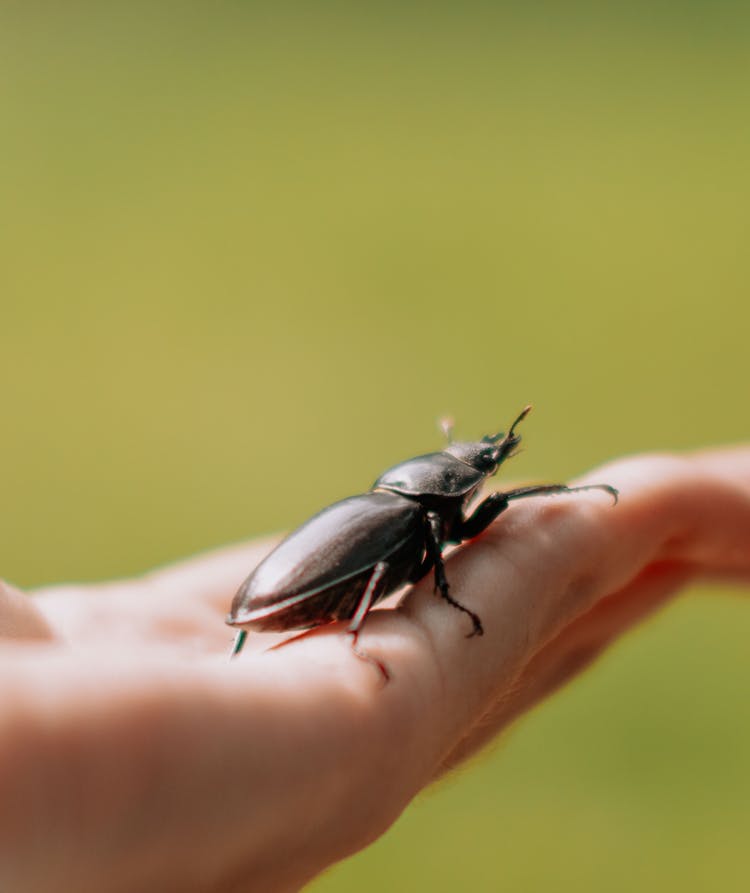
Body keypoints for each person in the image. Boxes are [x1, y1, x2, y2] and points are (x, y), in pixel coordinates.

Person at [0, 448, 748, 892]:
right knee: (392, 566)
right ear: (444, 490)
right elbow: (401, 569)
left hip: (275, 597)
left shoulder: (416, 511)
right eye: (474, 472)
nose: (485, 478)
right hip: (309, 591)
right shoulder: (409, 520)